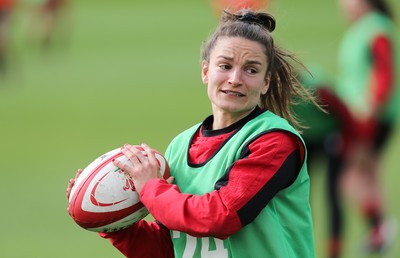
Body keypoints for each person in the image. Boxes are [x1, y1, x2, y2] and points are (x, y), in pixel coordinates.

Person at [67, 9, 320, 258]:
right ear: (205, 71)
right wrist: (110, 220)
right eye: (225, 65)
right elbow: (172, 248)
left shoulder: (274, 141)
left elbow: (222, 216)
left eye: (251, 70)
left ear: (266, 82)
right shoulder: (180, 146)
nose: (235, 79)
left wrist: (151, 188)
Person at [328, 0, 399, 256]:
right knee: (365, 172)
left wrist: (371, 110)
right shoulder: (365, 28)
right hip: (360, 115)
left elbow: (384, 75)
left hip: (369, 116)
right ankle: (379, 229)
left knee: (350, 174)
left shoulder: (376, 30)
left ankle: (379, 227)